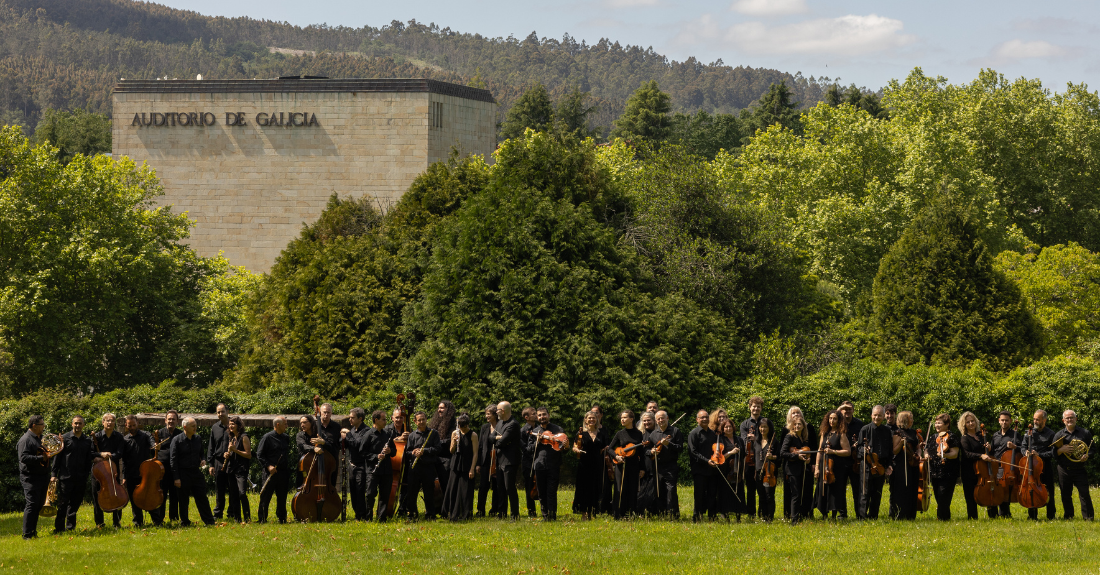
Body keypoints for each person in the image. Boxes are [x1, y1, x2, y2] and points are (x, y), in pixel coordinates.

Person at [51, 415, 93, 533]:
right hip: (66, 477)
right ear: (72, 424)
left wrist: (86, 475)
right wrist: (54, 474)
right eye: (75, 423)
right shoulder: (64, 439)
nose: (77, 425)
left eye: (80, 423)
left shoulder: (87, 441)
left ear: (83, 425)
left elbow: (88, 459)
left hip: (81, 478)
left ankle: (70, 527)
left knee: (75, 504)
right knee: (63, 504)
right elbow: (57, 458)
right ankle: (59, 528)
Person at [171, 417, 214, 526]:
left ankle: (209, 521)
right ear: (185, 427)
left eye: (195, 425)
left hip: (195, 472)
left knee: (202, 497)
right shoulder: (176, 440)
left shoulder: (198, 438)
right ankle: (185, 522)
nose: (196, 428)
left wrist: (203, 459)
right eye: (193, 426)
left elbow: (201, 453)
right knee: (183, 500)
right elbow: (173, 460)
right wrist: (176, 478)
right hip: (182, 473)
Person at [1054, 409, 1094, 520]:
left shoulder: (1084, 433)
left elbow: (1092, 449)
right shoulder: (1059, 435)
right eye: (1067, 418)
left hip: (1079, 468)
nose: (1070, 419)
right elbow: (1053, 453)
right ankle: (1068, 516)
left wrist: (1087, 455)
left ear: (1076, 419)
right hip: (1063, 469)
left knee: (1084, 493)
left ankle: (1088, 517)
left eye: (1072, 417)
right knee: (1065, 495)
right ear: (1063, 420)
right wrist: (1061, 450)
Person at [18, 415, 54, 539]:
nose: (44, 426)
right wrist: (41, 458)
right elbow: (23, 458)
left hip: (42, 476)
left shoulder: (41, 438)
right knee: (32, 505)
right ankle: (27, 534)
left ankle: (33, 532)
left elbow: (49, 451)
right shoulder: (26, 440)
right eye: (42, 424)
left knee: (38, 505)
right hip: (30, 478)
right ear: (34, 426)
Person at [855, 405, 893, 519]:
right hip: (867, 465)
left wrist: (889, 465)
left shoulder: (887, 431)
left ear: (883, 417)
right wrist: (864, 451)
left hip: (881, 465)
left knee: (877, 492)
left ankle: (873, 515)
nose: (877, 417)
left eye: (879, 415)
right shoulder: (865, 429)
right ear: (871, 415)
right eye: (875, 415)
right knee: (865, 491)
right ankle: (862, 516)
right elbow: (859, 449)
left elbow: (890, 450)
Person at [401, 412, 441, 520]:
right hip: (415, 468)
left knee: (429, 492)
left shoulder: (433, 433)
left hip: (428, 467)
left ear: (426, 419)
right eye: (419, 420)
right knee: (412, 492)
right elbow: (407, 452)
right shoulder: (412, 435)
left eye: (423, 419)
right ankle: (413, 514)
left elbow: (438, 449)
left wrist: (424, 451)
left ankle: (430, 515)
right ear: (415, 421)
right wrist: (414, 452)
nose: (421, 422)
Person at [606, 410, 645, 519]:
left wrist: (642, 468)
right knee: (620, 489)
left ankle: (631, 513)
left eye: (625, 417)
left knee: (632, 489)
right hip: (621, 465)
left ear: (631, 419)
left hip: (633, 466)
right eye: (621, 418)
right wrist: (616, 456)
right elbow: (609, 448)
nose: (622, 420)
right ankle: (618, 513)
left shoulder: (638, 434)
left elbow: (641, 452)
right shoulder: (620, 433)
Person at [529, 406, 565, 520]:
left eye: (544, 414)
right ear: (536, 417)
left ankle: (552, 515)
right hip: (540, 465)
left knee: (552, 491)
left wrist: (565, 446)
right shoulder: (534, 431)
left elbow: (563, 448)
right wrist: (537, 442)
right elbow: (529, 449)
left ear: (548, 415)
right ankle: (545, 515)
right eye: (539, 415)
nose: (542, 417)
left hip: (554, 464)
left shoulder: (557, 429)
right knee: (541, 492)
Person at [645, 410, 683, 519]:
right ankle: (662, 514)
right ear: (656, 421)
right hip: (657, 467)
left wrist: (669, 444)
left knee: (671, 491)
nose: (661, 420)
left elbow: (680, 448)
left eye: (662, 418)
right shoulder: (653, 434)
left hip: (671, 466)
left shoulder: (675, 431)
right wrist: (651, 452)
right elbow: (646, 449)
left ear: (667, 418)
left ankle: (673, 515)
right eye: (658, 419)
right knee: (659, 491)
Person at [359, 410, 396, 521]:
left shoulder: (387, 434)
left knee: (385, 495)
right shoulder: (368, 435)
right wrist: (376, 456)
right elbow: (362, 452)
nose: (386, 422)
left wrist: (390, 451)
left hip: (386, 470)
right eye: (383, 419)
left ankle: (381, 518)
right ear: (376, 420)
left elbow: (394, 451)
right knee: (370, 494)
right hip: (373, 470)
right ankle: (368, 517)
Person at [814, 410, 850, 521]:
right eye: (830, 418)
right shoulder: (824, 433)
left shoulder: (841, 434)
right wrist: (816, 467)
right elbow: (820, 451)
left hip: (836, 468)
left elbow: (847, 451)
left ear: (838, 420)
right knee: (823, 489)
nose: (832, 421)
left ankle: (834, 516)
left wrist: (833, 452)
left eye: (834, 418)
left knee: (834, 491)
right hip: (823, 466)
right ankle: (824, 515)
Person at [573, 410, 609, 519]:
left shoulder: (601, 433)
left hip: (597, 464)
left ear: (597, 420)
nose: (591, 420)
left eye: (593, 418)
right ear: (585, 420)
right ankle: (584, 512)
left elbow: (604, 447)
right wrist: (576, 450)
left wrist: (606, 449)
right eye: (589, 418)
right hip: (584, 464)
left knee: (595, 488)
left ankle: (593, 512)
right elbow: (574, 447)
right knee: (584, 488)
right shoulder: (580, 433)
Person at [255, 416, 291, 524]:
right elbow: (259, 455)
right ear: (278, 425)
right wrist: (268, 466)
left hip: (283, 472)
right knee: (265, 497)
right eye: (285, 424)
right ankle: (262, 518)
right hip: (270, 472)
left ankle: (282, 518)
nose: (287, 426)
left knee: (282, 496)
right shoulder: (267, 437)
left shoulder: (286, 437)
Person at [442, 413, 478, 521]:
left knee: (465, 491)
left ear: (467, 425)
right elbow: (451, 451)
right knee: (452, 488)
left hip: (467, 465)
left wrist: (472, 469)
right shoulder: (455, 433)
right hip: (455, 463)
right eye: (459, 426)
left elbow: (475, 453)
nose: (461, 429)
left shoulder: (473, 435)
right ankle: (450, 512)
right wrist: (453, 441)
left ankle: (465, 514)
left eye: (463, 426)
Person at [120, 415, 154, 527]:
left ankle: (157, 520)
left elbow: (152, 442)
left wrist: (154, 445)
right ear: (126, 425)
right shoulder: (125, 440)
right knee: (134, 499)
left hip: (145, 473)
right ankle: (138, 522)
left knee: (148, 497)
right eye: (130, 425)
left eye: (134, 425)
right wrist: (124, 476)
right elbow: (124, 460)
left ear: (137, 423)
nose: (132, 427)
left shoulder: (145, 435)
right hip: (131, 474)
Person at [92, 412, 125, 528]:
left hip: (113, 470)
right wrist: (101, 454)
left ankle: (117, 522)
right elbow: (90, 453)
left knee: (116, 495)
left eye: (112, 421)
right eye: (107, 420)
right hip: (99, 473)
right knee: (97, 497)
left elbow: (120, 453)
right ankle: (99, 523)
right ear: (103, 422)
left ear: (114, 423)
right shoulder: (96, 437)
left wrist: (109, 456)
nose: (110, 422)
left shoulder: (119, 437)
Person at [150, 410, 182, 525]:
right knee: (161, 494)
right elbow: (153, 446)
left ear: (177, 421)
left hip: (175, 470)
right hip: (162, 470)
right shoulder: (159, 434)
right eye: (169, 419)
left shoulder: (180, 434)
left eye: (173, 419)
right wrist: (155, 447)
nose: (171, 421)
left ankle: (174, 517)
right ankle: (160, 518)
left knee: (175, 494)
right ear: (165, 420)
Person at [925, 413, 959, 521]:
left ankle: (941, 518)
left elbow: (955, 454)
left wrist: (945, 455)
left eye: (939, 423)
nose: (937, 425)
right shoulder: (933, 437)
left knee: (944, 495)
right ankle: (945, 517)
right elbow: (926, 449)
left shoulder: (952, 436)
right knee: (938, 496)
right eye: (936, 423)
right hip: (934, 471)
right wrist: (926, 455)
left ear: (947, 424)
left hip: (948, 471)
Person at [491, 401, 521, 520]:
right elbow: (491, 438)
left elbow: (501, 443)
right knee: (500, 488)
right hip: (499, 460)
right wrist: (498, 437)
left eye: (497, 410)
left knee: (510, 488)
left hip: (510, 461)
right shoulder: (499, 424)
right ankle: (502, 514)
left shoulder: (513, 424)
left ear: (502, 411)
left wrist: (498, 439)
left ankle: (515, 515)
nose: (496, 412)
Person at [989, 411, 1022, 519]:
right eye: (1002, 420)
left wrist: (1014, 446)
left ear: (1010, 421)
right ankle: (993, 513)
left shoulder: (1015, 435)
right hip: (995, 465)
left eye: (1006, 420)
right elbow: (992, 451)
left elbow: (1023, 449)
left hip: (1007, 467)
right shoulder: (995, 435)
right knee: (994, 488)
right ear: (999, 421)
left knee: (1004, 489)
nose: (1004, 422)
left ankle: (1004, 513)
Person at [780, 416, 813, 524]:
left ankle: (798, 516)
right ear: (791, 426)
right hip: (792, 470)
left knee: (800, 494)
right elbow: (783, 453)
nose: (797, 426)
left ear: (803, 426)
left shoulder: (803, 438)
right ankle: (794, 520)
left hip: (801, 469)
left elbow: (804, 454)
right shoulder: (789, 436)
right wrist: (797, 456)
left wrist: (806, 460)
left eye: (799, 424)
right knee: (795, 494)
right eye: (795, 424)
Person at [1026, 409, 1057, 521]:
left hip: (1045, 467)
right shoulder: (1028, 433)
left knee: (1049, 491)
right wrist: (1025, 451)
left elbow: (1053, 452)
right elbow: (1022, 446)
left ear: (1044, 420)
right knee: (1031, 490)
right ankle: (1032, 515)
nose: (1035, 421)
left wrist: (1039, 454)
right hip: (1032, 468)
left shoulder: (1050, 434)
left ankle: (1051, 516)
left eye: (1038, 419)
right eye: (1034, 419)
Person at [687, 409, 717, 522]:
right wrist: (706, 461)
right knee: (699, 494)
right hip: (699, 469)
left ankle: (712, 516)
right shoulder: (693, 433)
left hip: (712, 469)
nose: (704, 419)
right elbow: (693, 452)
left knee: (712, 493)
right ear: (697, 420)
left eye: (706, 417)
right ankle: (697, 516)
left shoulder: (713, 433)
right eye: (702, 417)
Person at [889, 411, 919, 520]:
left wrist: (918, 454)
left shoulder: (913, 432)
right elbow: (894, 451)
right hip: (902, 464)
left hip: (913, 463)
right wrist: (901, 443)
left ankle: (911, 515)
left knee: (912, 488)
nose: (912, 420)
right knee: (902, 489)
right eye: (911, 418)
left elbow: (917, 447)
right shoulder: (897, 433)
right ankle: (900, 514)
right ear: (905, 420)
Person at [957, 411, 985, 520]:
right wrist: (981, 456)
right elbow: (967, 454)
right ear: (964, 424)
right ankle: (972, 517)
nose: (971, 423)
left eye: (972, 421)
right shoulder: (964, 438)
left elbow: (985, 451)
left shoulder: (981, 436)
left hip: (981, 470)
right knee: (970, 496)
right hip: (968, 471)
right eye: (968, 422)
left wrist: (988, 447)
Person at [740, 396, 764, 518]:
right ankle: (751, 514)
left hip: (761, 459)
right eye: (754, 406)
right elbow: (744, 441)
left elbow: (769, 439)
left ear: (761, 408)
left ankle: (761, 513)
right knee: (750, 489)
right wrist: (750, 441)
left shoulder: (765, 422)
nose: (756, 408)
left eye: (758, 406)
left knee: (761, 489)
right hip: (749, 460)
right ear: (750, 407)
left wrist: (757, 439)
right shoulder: (744, 424)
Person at [224, 416, 251, 523]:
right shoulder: (232, 438)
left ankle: (247, 517)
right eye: (229, 424)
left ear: (238, 425)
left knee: (242, 493)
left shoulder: (244, 437)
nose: (230, 426)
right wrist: (227, 454)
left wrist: (235, 451)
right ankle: (237, 518)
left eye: (233, 424)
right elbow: (230, 453)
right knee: (233, 494)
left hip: (241, 469)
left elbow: (248, 455)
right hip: (231, 469)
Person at [716, 419, 745, 522]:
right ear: (723, 429)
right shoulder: (721, 440)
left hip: (737, 470)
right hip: (726, 471)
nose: (728, 429)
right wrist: (731, 453)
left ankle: (738, 515)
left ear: (733, 427)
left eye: (730, 426)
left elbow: (743, 455)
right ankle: (725, 514)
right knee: (725, 493)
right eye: (726, 427)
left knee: (739, 492)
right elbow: (719, 457)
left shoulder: (739, 440)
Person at [344, 407, 370, 521]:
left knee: (360, 491)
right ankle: (357, 515)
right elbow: (348, 445)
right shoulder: (353, 430)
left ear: (360, 418)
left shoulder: (366, 431)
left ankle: (362, 515)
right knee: (353, 492)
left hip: (362, 465)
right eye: (349, 417)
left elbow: (358, 445)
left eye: (352, 418)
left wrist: (348, 435)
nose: (350, 420)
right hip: (352, 465)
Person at [838, 400, 864, 511]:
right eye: (845, 409)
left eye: (849, 409)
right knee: (841, 488)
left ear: (853, 410)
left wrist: (858, 444)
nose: (847, 411)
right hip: (841, 460)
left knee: (857, 489)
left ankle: (859, 513)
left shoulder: (859, 424)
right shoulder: (837, 422)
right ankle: (842, 514)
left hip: (855, 461)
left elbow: (863, 440)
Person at [207, 403, 231, 520]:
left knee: (232, 488)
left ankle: (231, 512)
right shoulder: (214, 428)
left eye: (222, 412)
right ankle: (218, 513)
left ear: (227, 412)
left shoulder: (234, 425)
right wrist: (211, 464)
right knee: (219, 489)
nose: (220, 414)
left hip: (232, 462)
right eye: (218, 412)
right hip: (218, 462)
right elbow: (211, 447)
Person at [753, 418, 780, 522]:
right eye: (761, 426)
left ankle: (770, 517)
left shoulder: (774, 442)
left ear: (769, 428)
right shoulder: (756, 441)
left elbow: (779, 457)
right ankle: (764, 516)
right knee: (761, 496)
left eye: (765, 427)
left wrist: (772, 457)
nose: (762, 429)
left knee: (769, 495)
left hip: (770, 472)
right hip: (759, 472)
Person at [430, 400, 457, 501]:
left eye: (442, 408)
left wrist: (435, 444)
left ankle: (448, 508)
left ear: (448, 410)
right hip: (435, 458)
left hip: (446, 459)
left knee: (446, 485)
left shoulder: (454, 423)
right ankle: (438, 507)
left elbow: (450, 440)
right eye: (439, 408)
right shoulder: (435, 423)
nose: (439, 410)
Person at [476, 404, 499, 518]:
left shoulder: (501, 426)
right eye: (486, 414)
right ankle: (480, 511)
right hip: (485, 461)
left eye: (489, 414)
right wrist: (478, 463)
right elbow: (480, 446)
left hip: (497, 460)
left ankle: (494, 510)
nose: (487, 416)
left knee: (496, 487)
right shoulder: (484, 428)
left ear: (495, 414)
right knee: (483, 486)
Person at [519, 406, 539, 518]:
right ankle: (532, 512)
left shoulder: (539, 428)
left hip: (538, 461)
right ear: (527, 417)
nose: (536, 415)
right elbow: (524, 449)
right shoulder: (522, 431)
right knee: (529, 487)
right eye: (533, 413)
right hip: (528, 463)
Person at [636, 412, 658, 515]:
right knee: (642, 490)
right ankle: (640, 511)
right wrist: (649, 452)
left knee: (652, 490)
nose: (646, 422)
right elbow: (640, 451)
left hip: (655, 465)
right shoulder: (640, 433)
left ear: (654, 421)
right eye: (644, 420)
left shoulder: (658, 433)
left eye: (649, 420)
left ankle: (652, 512)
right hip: (643, 464)